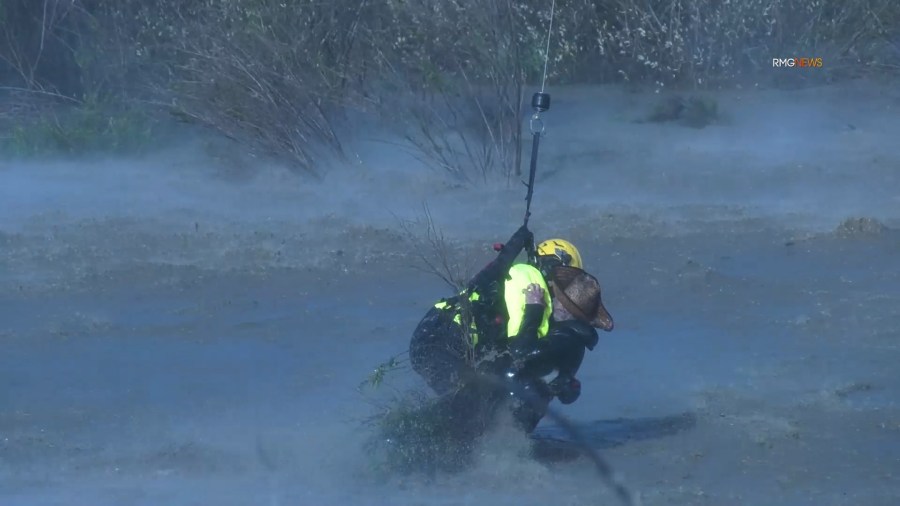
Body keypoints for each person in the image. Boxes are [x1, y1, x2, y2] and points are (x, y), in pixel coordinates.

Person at [408, 224, 614, 433]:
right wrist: (534, 308)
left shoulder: (512, 276)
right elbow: (519, 350)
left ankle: (471, 443)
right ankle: (438, 443)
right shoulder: (530, 285)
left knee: (474, 401)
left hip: (435, 333)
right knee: (464, 405)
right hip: (442, 339)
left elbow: (490, 273)